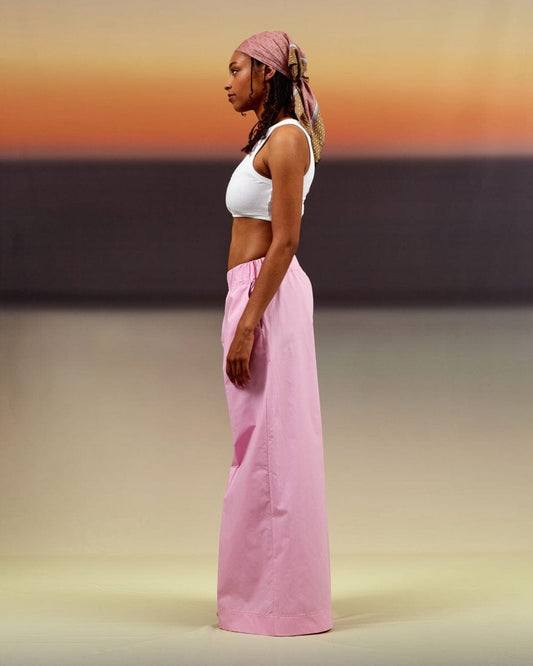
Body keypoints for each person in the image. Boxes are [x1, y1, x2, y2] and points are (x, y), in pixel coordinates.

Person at [217, 30, 333, 637]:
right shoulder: (270, 139)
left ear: (266, 73)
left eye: (236, 69)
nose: (228, 82)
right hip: (252, 294)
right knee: (256, 449)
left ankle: (283, 607)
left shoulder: (286, 139)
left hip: (267, 299)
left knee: (273, 453)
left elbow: (285, 240)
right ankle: (260, 598)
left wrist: (249, 323)